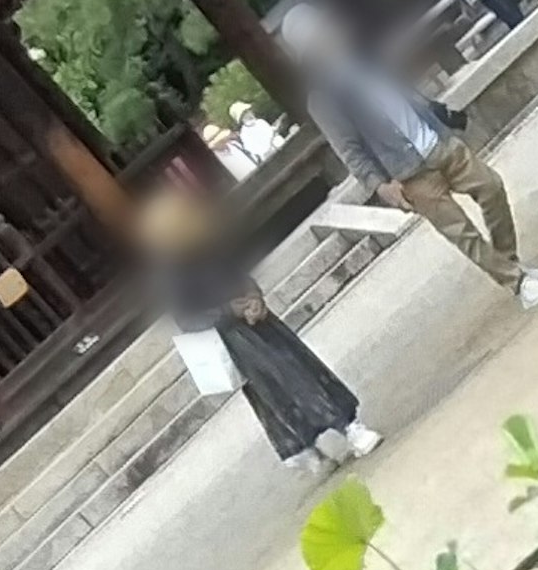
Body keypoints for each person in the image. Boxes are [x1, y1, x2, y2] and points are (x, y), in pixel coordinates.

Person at [274, 0, 538, 311]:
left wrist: (439, 116)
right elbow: (349, 150)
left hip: (439, 142)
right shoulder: (323, 99)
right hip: (408, 172)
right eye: (321, 34)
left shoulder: (365, 58)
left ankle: (510, 264)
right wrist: (379, 185)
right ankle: (518, 283)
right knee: (463, 234)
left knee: (492, 187)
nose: (331, 34)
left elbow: (406, 94)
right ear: (311, 52)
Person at [138, 181, 377, 473]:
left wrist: (254, 296)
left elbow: (240, 275)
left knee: (305, 373)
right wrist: (228, 310)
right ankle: (308, 449)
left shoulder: (207, 247)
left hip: (261, 325)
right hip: (237, 344)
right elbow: (188, 320)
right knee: (279, 392)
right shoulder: (170, 275)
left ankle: (348, 426)